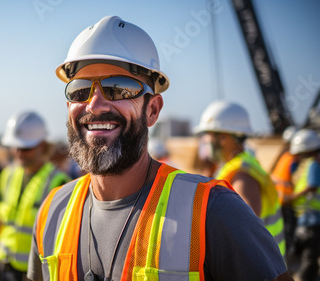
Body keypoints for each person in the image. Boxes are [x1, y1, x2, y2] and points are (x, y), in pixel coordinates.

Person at [27, 15, 292, 281]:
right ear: (69, 107)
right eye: (80, 90)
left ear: (152, 110)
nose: (94, 106)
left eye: (118, 89)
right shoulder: (52, 211)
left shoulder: (213, 211)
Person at [0, 111, 70, 281]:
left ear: (42, 145)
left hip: (38, 273)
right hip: (5, 266)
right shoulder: (7, 175)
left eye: (25, 148)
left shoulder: (59, 182)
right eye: (15, 147)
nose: (19, 153)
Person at [194, 100, 286, 257]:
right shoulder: (239, 164)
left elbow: (244, 225)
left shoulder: (242, 174)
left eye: (208, 134)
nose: (205, 140)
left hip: (257, 266)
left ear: (223, 137)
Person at [288, 129, 320, 281]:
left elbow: (311, 186)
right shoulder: (305, 165)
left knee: (309, 259)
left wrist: (292, 197)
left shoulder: (313, 165)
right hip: (304, 218)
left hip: (311, 219)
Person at [270, 126, 300, 260]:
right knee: (288, 231)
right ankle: (287, 258)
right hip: (288, 200)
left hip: (279, 199)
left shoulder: (284, 156)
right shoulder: (293, 160)